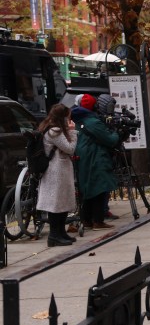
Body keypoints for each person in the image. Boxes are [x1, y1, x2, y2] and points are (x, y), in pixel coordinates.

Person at [71, 93, 120, 230]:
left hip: (83, 157)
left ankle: (86, 220)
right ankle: (98, 221)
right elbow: (110, 140)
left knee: (87, 188)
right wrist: (116, 132)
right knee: (99, 188)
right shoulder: (93, 122)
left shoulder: (79, 120)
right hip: (95, 157)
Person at [35, 103, 78, 246]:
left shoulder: (51, 128)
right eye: (68, 117)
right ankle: (54, 236)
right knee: (56, 204)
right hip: (56, 171)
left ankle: (61, 233)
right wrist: (72, 131)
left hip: (60, 170)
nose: (69, 120)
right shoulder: (54, 131)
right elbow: (70, 148)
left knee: (62, 202)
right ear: (62, 117)